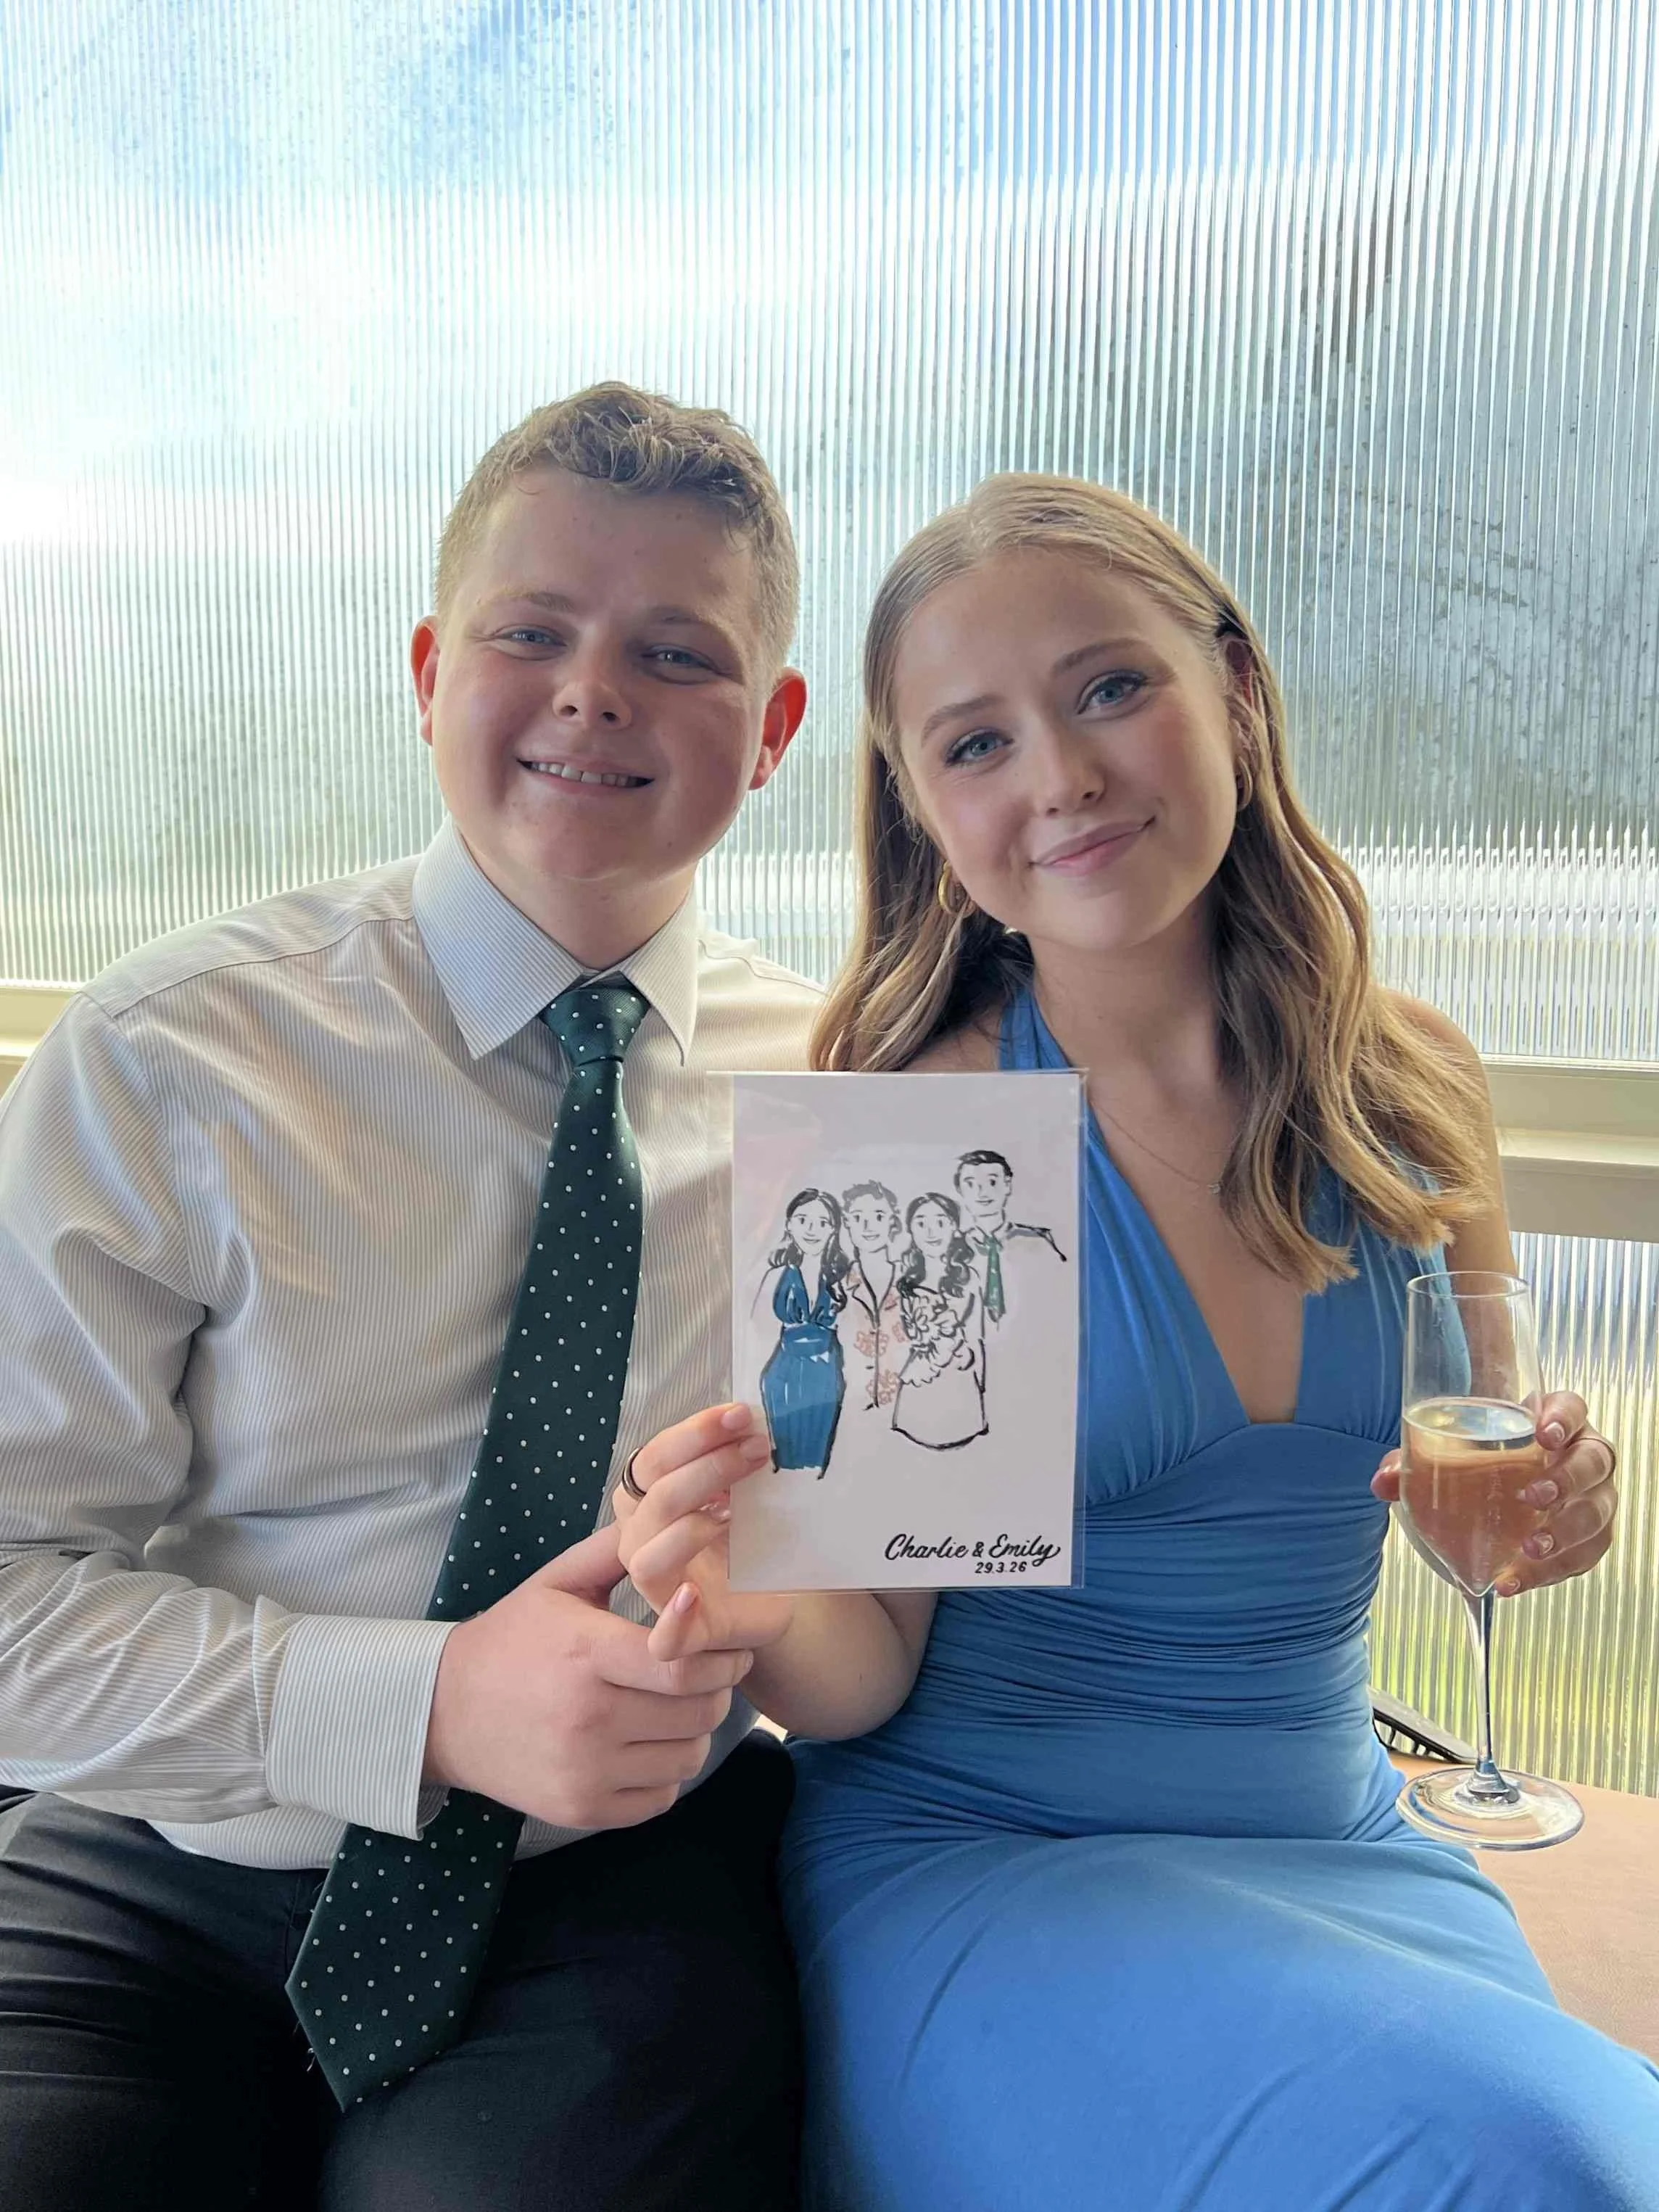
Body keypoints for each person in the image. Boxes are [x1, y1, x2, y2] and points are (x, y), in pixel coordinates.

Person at [613, 474, 1659, 2208]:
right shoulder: (913, 1134)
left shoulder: (1408, 1090)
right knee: (1532, 2158)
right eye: (973, 743)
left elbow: (1452, 1471)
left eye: (1107, 686)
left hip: (1335, 1849)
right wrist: (739, 1607)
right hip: (991, 1874)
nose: (1059, 774)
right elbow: (861, 1660)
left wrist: (1553, 1507)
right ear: (923, 814)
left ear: (1230, 689)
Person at [0, 383, 818, 2211]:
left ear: (767, 731)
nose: (593, 688)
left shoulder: (848, 1094)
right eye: (532, 630)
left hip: (597, 1878)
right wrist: (425, 1701)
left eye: (673, 650)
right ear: (432, 667)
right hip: (163, 1851)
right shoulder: (172, 1055)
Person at [759, 1189, 851, 1474]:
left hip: (827, 1373)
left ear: (834, 1229)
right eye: (803, 1220)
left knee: (821, 1454)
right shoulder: (776, 1274)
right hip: (785, 1374)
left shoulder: (843, 1276)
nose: (812, 1230)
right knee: (785, 1460)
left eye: (823, 1223)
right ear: (789, 1224)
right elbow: (755, 1329)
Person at [890, 1193, 988, 1449]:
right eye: (921, 1223)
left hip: (959, 1375)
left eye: (940, 1222)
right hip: (919, 1377)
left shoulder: (969, 1277)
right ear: (910, 1229)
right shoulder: (905, 1280)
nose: (931, 1231)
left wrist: (981, 1383)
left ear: (954, 1228)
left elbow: (977, 1335)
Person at [953, 1147, 1065, 1326]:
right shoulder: (953, 1250)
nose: (982, 1193)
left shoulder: (1038, 1242)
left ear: (1007, 1185)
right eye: (971, 1184)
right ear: (960, 1190)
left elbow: (1061, 1296)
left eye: (992, 1182)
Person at [838, 1181, 907, 1411]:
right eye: (858, 1218)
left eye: (878, 1216)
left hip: (906, 1405)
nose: (868, 1226)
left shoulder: (910, 1282)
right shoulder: (839, 1286)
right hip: (853, 1407)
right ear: (847, 1222)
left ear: (893, 1221)